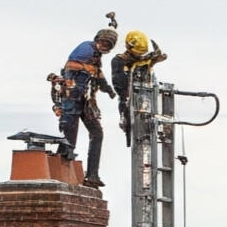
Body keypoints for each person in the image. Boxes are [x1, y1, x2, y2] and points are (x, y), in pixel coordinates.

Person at [55, 27, 118, 187]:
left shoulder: (95, 56)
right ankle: (61, 172)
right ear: (98, 39)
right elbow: (70, 71)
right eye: (104, 42)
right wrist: (71, 98)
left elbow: (97, 74)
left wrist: (108, 89)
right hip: (73, 98)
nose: (105, 46)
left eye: (109, 44)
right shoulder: (85, 49)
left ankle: (92, 175)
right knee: (69, 138)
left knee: (97, 133)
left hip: (85, 101)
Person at [111, 30, 168, 142]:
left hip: (148, 92)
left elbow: (158, 57)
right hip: (129, 96)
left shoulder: (147, 58)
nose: (140, 56)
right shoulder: (119, 61)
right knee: (125, 105)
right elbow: (118, 84)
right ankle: (125, 120)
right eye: (137, 53)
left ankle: (158, 127)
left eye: (141, 53)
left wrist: (155, 58)